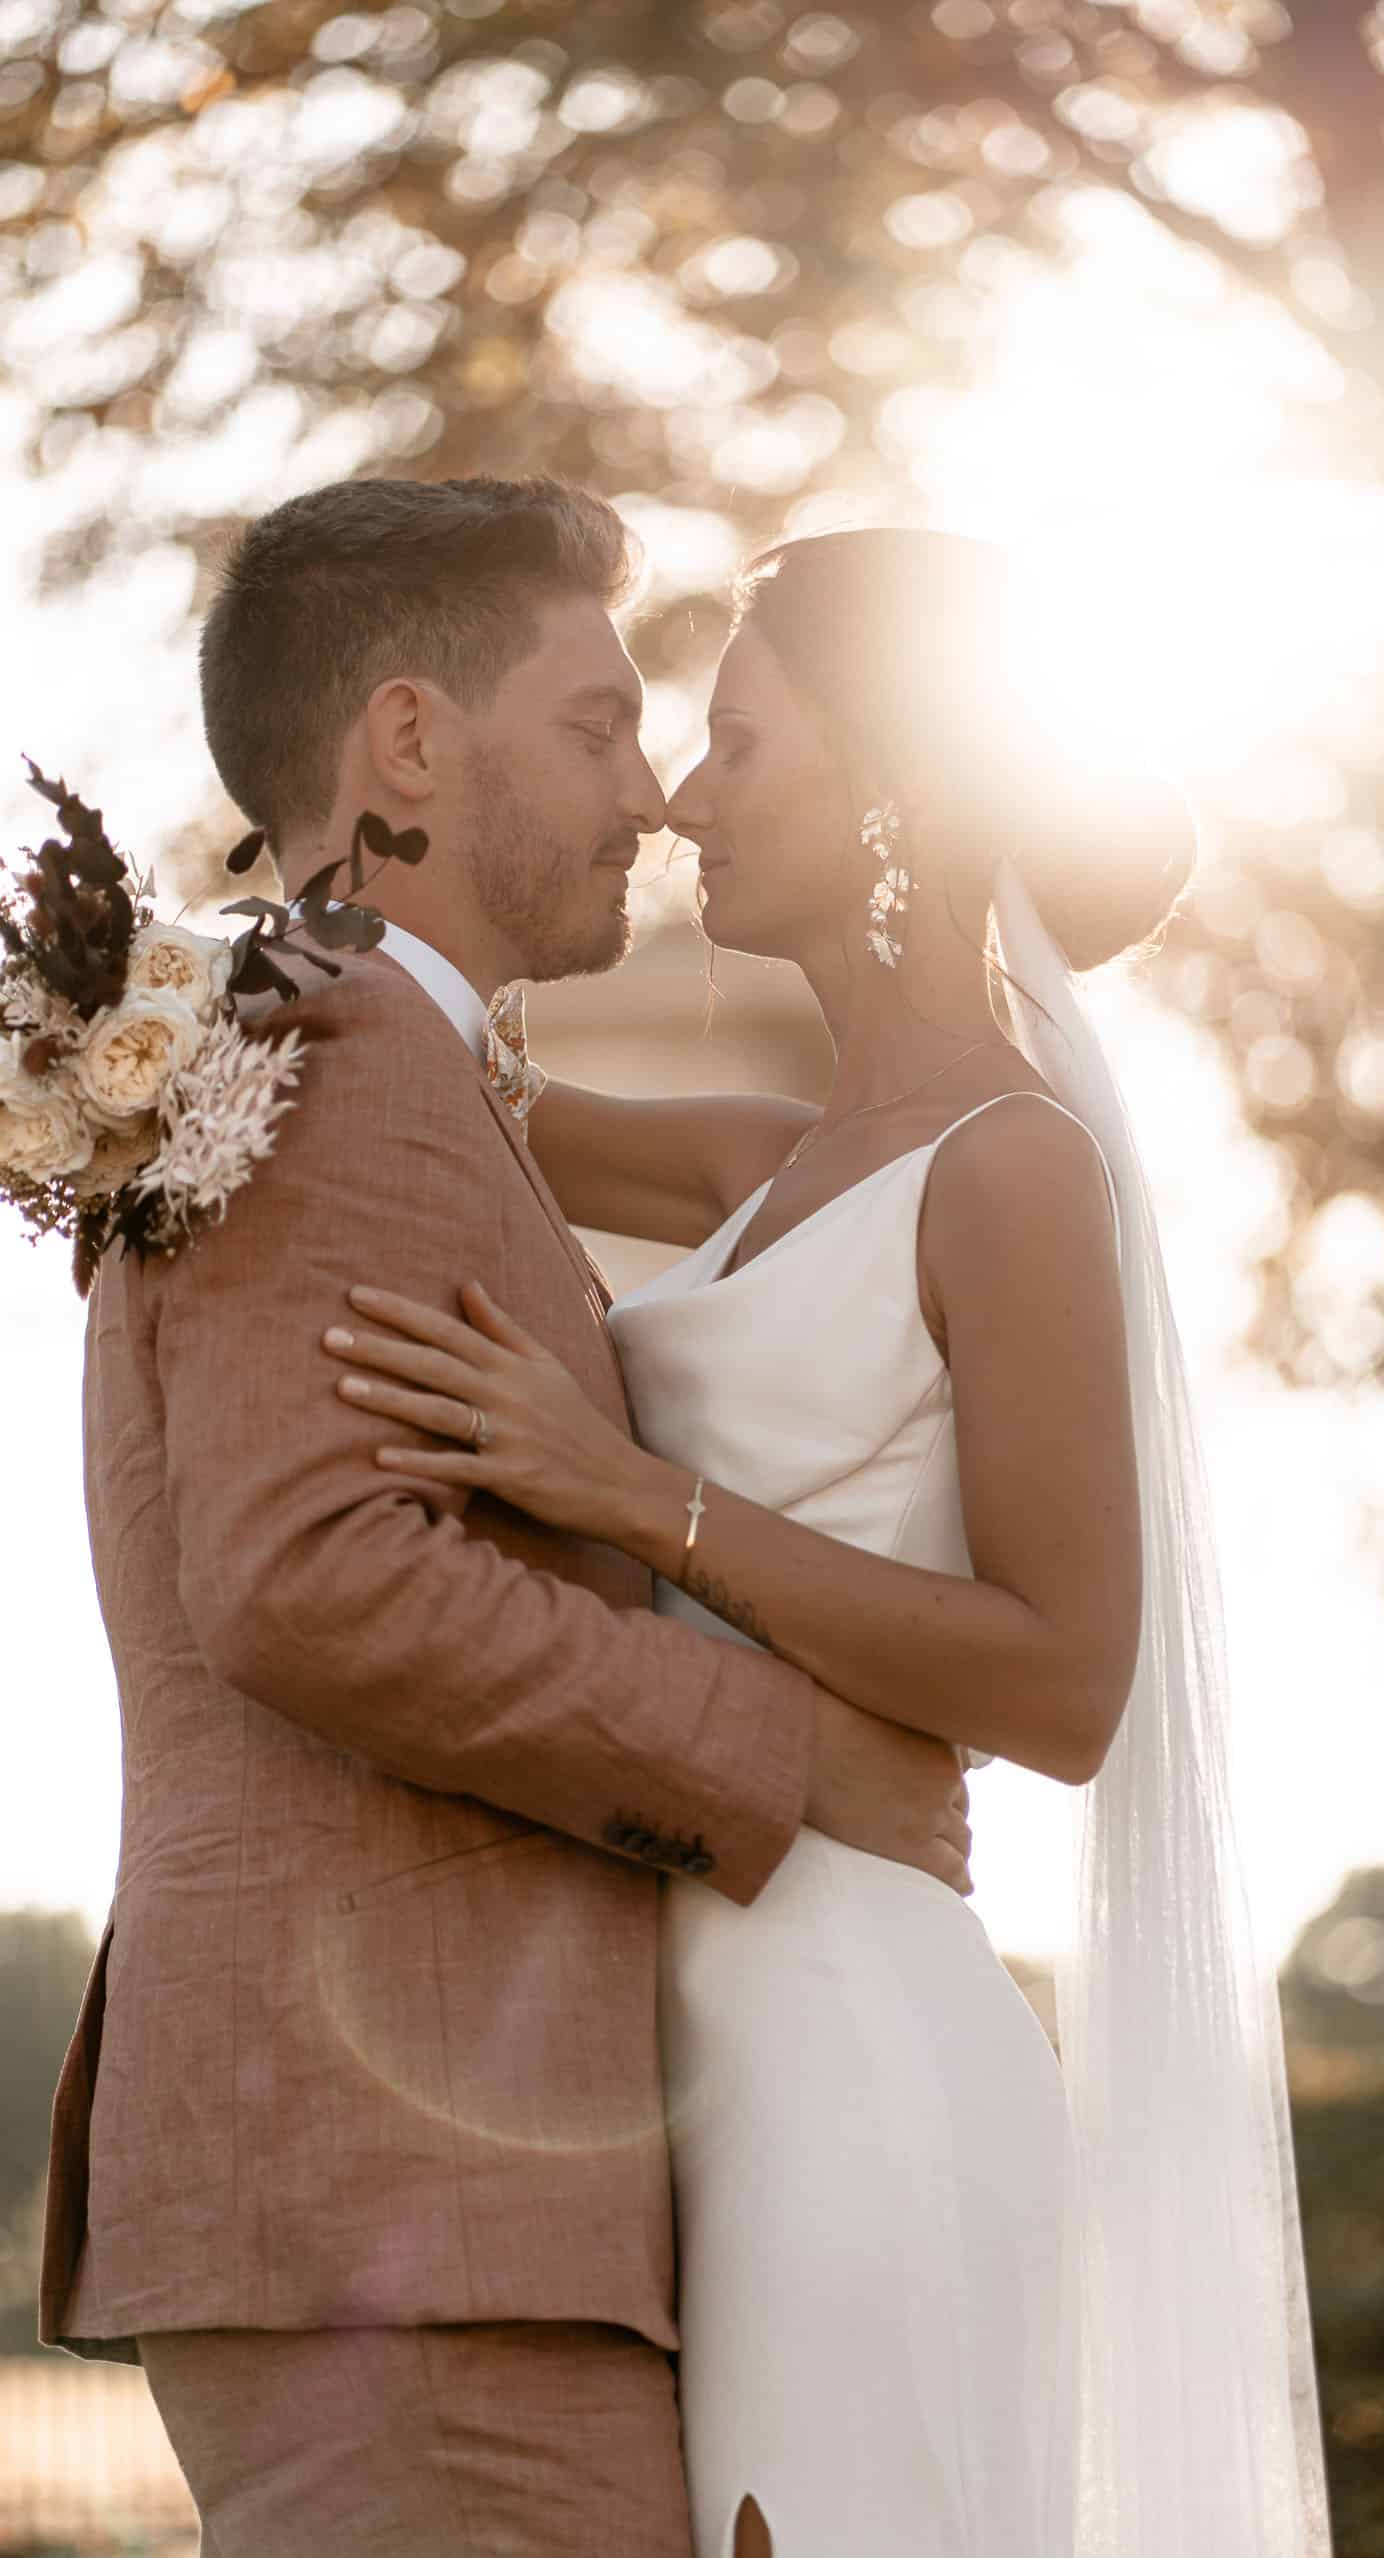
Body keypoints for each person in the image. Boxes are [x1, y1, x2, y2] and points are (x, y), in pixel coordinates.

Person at [325, 528, 1334, 2556]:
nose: (679, 801)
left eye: (735, 742)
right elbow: (410, 1047)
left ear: (892, 787)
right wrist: (146, 989)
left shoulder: (1013, 1169)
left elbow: (1064, 1683)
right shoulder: (762, 1160)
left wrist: (636, 1497)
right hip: (692, 2046)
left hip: (858, 2063)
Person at [39, 481, 974, 2558]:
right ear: (408, 743)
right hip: (409, 2215)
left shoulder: (331, 1042)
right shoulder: (329, 1047)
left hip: (417, 2201)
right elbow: (313, 1581)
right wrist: (795, 1758)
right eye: (595, 722)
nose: (648, 793)